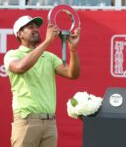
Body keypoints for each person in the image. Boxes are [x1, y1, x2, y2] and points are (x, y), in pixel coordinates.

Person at [4, 15, 80, 147]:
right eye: (30, 27)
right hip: (26, 121)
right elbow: (20, 67)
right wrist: (46, 43)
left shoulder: (49, 57)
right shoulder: (13, 54)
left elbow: (72, 74)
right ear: (20, 34)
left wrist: (73, 49)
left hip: (50, 123)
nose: (36, 29)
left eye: (37, 27)